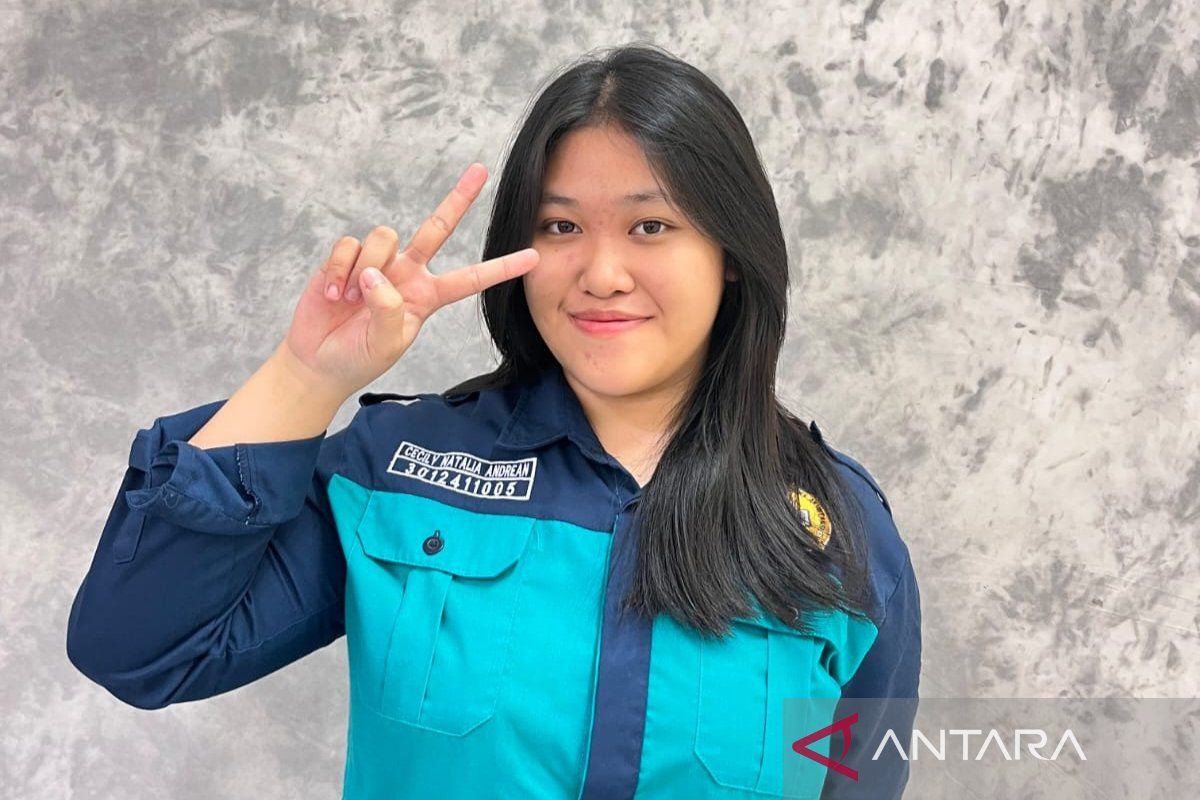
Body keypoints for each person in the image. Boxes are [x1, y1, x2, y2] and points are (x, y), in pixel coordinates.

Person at [66, 43, 921, 799]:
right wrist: (306, 374)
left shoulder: (842, 534)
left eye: (651, 225)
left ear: (730, 254)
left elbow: (859, 786)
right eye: (561, 225)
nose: (602, 273)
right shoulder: (397, 472)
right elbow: (140, 650)